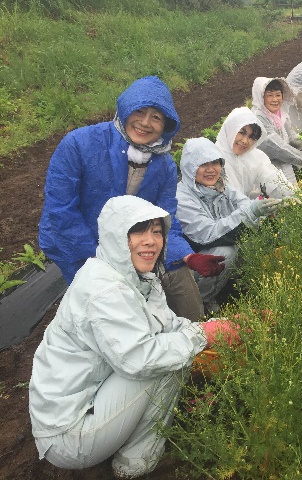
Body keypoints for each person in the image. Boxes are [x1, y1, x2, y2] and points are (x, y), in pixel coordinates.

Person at [29, 195, 242, 479]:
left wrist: (224, 326)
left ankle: (128, 443)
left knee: (176, 347)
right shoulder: (103, 289)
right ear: (117, 235)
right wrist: (204, 334)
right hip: (69, 433)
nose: (150, 240)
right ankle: (134, 463)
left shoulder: (138, 278)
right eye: (138, 231)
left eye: (156, 231)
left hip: (89, 403)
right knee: (165, 361)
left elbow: (168, 325)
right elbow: (140, 359)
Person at [38, 76, 225, 321]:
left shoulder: (164, 165)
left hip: (129, 243)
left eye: (156, 117)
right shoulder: (80, 144)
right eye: (139, 111)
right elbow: (61, 213)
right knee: (106, 307)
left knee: (177, 275)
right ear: (125, 109)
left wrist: (188, 256)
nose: (145, 123)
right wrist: (105, 260)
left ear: (166, 125)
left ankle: (198, 336)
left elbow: (164, 217)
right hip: (75, 244)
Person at [177, 137, 282, 308]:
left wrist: (273, 207)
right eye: (203, 165)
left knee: (256, 239)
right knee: (224, 253)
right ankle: (203, 300)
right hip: (192, 262)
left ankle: (240, 284)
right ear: (190, 168)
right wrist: (250, 212)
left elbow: (243, 204)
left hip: (217, 241)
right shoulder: (182, 196)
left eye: (215, 163)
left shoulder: (221, 186)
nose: (211, 170)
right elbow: (207, 234)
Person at [215, 106, 294, 200]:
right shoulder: (213, 160)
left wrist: (291, 196)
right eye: (242, 132)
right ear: (230, 129)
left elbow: (272, 180)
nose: (245, 141)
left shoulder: (255, 157)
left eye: (252, 137)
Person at [251, 77, 302, 185]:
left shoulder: (281, 114)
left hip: (285, 163)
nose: (275, 99)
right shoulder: (258, 118)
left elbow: (289, 136)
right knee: (282, 196)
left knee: (292, 194)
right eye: (270, 95)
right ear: (262, 98)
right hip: (269, 168)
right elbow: (276, 147)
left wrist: (297, 140)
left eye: (278, 95)